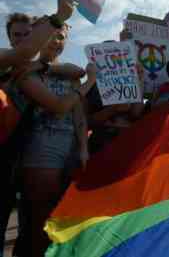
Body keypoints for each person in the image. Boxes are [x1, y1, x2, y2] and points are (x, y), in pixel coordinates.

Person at [15, 26, 97, 257]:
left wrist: (82, 148)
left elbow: (78, 114)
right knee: (41, 221)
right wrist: (89, 81)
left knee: (64, 216)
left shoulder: (71, 74)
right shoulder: (27, 72)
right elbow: (60, 107)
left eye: (61, 37)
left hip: (70, 149)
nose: (55, 40)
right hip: (42, 148)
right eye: (51, 35)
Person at [0, 0, 76, 76]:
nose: (23, 38)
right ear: (10, 39)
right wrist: (59, 17)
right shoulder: (2, 54)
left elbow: (77, 71)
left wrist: (44, 67)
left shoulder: (38, 66)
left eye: (27, 34)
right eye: (17, 35)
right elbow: (26, 50)